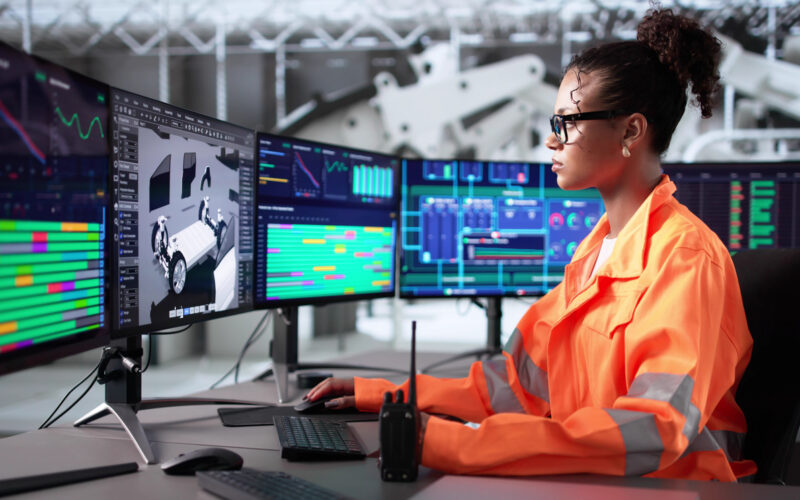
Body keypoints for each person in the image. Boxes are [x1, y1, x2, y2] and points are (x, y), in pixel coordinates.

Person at [305, 9, 756, 481]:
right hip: (595, 481)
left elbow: (654, 429)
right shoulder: (594, 256)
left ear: (630, 130)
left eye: (568, 123)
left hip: (669, 490)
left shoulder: (684, 259)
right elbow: (511, 388)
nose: (551, 140)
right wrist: (383, 395)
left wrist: (450, 443)